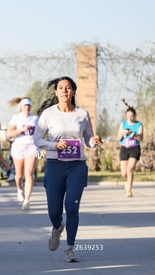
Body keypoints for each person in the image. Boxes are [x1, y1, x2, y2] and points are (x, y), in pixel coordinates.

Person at [33, 76, 102, 263]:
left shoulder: (82, 114)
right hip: (55, 165)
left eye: (68, 87)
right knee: (54, 210)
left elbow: (88, 139)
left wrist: (94, 142)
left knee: (72, 206)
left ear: (73, 91)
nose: (64, 91)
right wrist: (55, 146)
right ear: (56, 92)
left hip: (77, 166)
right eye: (61, 88)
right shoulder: (48, 114)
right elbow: (37, 139)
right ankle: (57, 228)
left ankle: (70, 248)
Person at [6, 97, 38, 210]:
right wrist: (21, 130)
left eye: (29, 105)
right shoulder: (16, 118)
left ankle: (27, 200)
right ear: (21, 107)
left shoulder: (35, 118)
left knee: (29, 174)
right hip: (18, 147)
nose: (27, 107)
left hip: (31, 147)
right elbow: (8, 134)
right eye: (25, 105)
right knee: (19, 175)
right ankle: (19, 190)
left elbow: (40, 132)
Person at [116, 99, 143, 198]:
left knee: (130, 169)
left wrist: (134, 134)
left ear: (134, 116)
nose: (130, 118)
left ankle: (129, 190)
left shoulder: (139, 124)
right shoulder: (123, 124)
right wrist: (124, 132)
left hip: (134, 148)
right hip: (124, 147)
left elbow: (141, 137)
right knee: (124, 173)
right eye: (128, 116)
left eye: (131, 116)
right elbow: (118, 138)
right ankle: (127, 182)